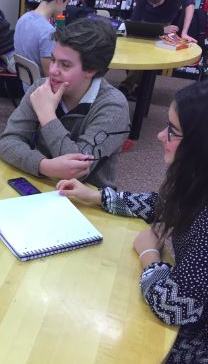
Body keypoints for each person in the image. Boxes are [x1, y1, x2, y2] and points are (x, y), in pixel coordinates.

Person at [56, 81, 208, 363]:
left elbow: (173, 307)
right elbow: (162, 205)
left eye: (173, 131)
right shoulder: (198, 180)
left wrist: (149, 255)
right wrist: (97, 196)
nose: (161, 136)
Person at [0, 18, 130, 189]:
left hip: (88, 200)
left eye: (65, 65)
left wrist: (47, 117)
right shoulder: (42, 88)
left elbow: (80, 172)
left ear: (91, 70)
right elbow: (7, 141)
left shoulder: (114, 106)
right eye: (53, 60)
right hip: (39, 183)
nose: (52, 70)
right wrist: (44, 166)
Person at [119, 0, 196, 98]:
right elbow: (135, 21)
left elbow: (189, 4)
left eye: (157, 3)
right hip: (147, 21)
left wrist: (185, 32)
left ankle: (129, 86)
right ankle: (135, 84)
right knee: (137, 51)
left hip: (166, 22)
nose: (154, 6)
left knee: (151, 53)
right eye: (151, 3)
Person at [14, 0, 75, 88]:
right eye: (67, 2)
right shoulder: (47, 32)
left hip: (25, 84)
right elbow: (51, 77)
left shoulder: (22, 19)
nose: (65, 8)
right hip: (40, 91)